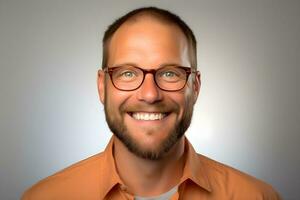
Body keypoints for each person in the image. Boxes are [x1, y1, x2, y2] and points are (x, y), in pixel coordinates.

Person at [22, 7, 281, 200]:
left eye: (169, 73)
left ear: (195, 87)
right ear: (102, 86)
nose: (149, 94)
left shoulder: (256, 197)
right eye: (127, 73)